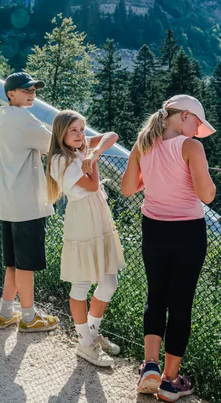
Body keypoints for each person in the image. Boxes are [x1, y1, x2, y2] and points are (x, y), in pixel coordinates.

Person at [121, 94, 216, 401]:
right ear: (185, 116)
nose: (198, 129)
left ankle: (149, 366)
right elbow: (207, 195)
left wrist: (154, 178)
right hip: (188, 231)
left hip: (154, 228)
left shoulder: (143, 143)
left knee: (156, 296)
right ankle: (170, 381)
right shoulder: (191, 147)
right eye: (198, 123)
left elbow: (127, 188)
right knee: (180, 303)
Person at [46, 110, 125, 367]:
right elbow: (92, 185)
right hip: (82, 219)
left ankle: (91, 334)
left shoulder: (81, 147)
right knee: (81, 285)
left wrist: (95, 151)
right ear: (61, 134)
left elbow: (112, 135)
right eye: (74, 130)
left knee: (109, 282)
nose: (80, 135)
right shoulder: (60, 159)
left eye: (82, 129)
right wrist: (93, 161)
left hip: (98, 216)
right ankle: (85, 344)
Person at [0, 72, 59, 333]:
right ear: (11, 94)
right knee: (26, 264)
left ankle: (6, 312)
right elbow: (53, 141)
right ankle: (29, 317)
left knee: (13, 262)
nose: (32, 93)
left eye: (33, 89)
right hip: (27, 202)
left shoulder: (2, 117)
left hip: (9, 202)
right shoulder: (22, 118)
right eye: (25, 89)